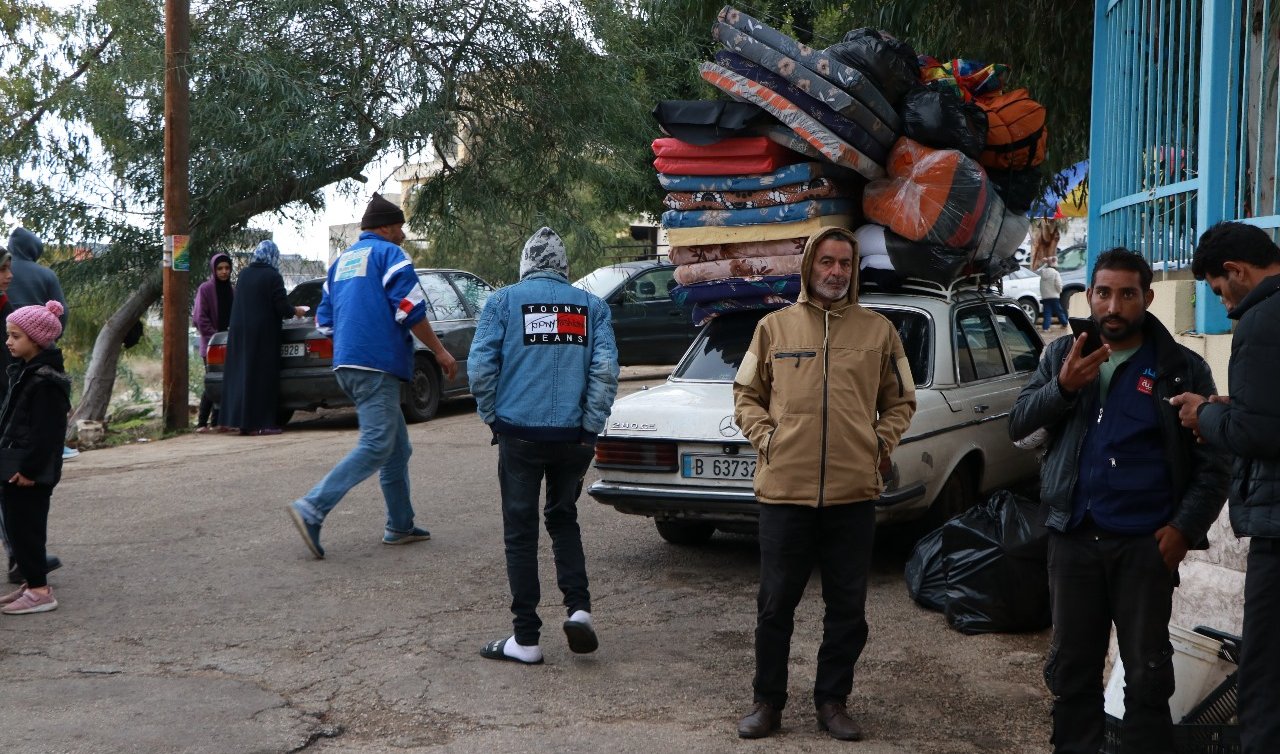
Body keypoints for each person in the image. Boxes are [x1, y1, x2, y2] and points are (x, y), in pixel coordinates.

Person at [1010, 248, 1229, 754]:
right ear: (1089, 295)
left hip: (1144, 545)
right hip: (1073, 538)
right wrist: (1062, 389)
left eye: (1127, 294)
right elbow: (1019, 429)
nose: (1113, 305)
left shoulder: (1182, 368)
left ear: (1147, 298)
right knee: (1072, 674)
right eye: (1103, 293)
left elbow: (1214, 465)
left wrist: (1183, 530)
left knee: (1148, 677)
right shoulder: (1059, 356)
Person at [732, 226, 916, 741]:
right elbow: (745, 394)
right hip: (784, 493)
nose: (835, 272)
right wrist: (768, 441)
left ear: (854, 271)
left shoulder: (879, 332)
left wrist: (879, 445)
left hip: (852, 495)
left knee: (847, 610)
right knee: (774, 608)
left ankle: (832, 701)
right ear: (810, 266)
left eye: (845, 264)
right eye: (826, 262)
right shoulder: (773, 329)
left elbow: (901, 401)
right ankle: (766, 703)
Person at [468, 227, 619, 665]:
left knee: (520, 533)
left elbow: (480, 367)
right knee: (563, 519)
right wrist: (589, 430)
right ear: (564, 267)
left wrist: (494, 417)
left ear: (525, 264)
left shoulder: (502, 302)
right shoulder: (593, 308)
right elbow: (605, 372)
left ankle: (526, 639)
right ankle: (579, 610)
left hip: (519, 434)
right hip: (573, 438)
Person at [286, 193, 457, 558]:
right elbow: (410, 309)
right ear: (385, 227)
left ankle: (400, 525)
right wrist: (440, 351)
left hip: (348, 363)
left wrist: (354, 342)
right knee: (377, 444)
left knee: (397, 448)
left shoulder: (341, 263)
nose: (403, 235)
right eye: (400, 227)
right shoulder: (389, 255)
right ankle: (312, 507)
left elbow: (324, 321)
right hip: (376, 365)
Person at [1171, 221, 1280, 754]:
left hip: (1278, 525)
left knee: (1264, 678)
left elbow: (1260, 433)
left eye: (1219, 289)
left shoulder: (1262, 320)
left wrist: (1205, 418)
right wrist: (1232, 408)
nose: (1222, 300)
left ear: (1235, 271)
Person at [0, 301, 72, 615]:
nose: (8, 341)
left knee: (27, 529)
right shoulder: (27, 372)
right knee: (16, 527)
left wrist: (30, 469)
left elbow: (47, 434)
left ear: (36, 340)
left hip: (32, 471)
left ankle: (41, 591)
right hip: (18, 465)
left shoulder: (46, 381)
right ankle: (31, 583)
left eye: (16, 336)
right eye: (8, 335)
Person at [218, 240, 306, 436]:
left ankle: (242, 423)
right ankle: (264, 423)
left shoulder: (244, 274)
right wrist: (297, 311)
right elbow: (282, 307)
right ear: (273, 256)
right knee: (263, 377)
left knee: (243, 376)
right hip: (263, 334)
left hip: (240, 332)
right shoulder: (273, 276)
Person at [6, 228, 75, 461]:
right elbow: (61, 312)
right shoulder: (45, 275)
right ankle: (58, 445)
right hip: (39, 345)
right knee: (50, 396)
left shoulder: (5, 270)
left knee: (10, 393)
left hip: (7, 340)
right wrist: (51, 336)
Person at [192, 253, 234, 433]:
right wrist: (216, 337)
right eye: (220, 268)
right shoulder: (206, 289)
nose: (224, 272)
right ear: (213, 270)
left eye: (226, 268)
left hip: (229, 344)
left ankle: (218, 421)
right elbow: (200, 318)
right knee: (212, 381)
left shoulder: (233, 290)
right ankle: (202, 422)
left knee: (225, 382)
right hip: (211, 345)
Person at [1036, 255, 1070, 330]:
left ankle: (1045, 328)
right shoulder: (1055, 273)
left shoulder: (1042, 273)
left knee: (1047, 313)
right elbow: (1058, 284)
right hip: (1054, 296)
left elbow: (1041, 286)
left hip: (1045, 297)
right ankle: (1065, 323)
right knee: (1059, 311)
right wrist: (1059, 291)